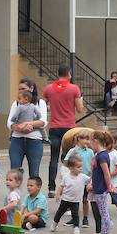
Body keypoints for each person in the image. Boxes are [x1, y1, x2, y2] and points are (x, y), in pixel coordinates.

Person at [43, 66, 84, 196]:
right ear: (69, 74)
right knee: (70, 158)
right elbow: (80, 109)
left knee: (53, 158)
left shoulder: (48, 89)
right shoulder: (74, 89)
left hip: (54, 127)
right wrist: (80, 100)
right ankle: (69, 186)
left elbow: (43, 105)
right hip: (69, 128)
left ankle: (51, 188)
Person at [7, 84, 45, 183]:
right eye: (19, 89)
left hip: (34, 141)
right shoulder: (16, 104)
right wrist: (20, 128)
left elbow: (43, 121)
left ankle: (35, 197)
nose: (20, 91)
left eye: (23, 89)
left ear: (31, 89)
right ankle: (14, 197)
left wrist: (27, 124)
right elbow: (10, 122)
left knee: (34, 173)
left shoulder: (40, 103)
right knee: (14, 172)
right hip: (17, 140)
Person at [87, 132, 114, 234]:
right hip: (97, 188)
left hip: (101, 188)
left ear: (96, 141)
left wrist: (109, 186)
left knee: (104, 214)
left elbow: (106, 173)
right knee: (102, 213)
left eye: (91, 141)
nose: (90, 144)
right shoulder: (98, 155)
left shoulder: (102, 156)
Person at [51, 152, 89, 233]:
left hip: (76, 200)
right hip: (65, 199)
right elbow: (61, 186)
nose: (80, 169)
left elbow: (90, 180)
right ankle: (54, 223)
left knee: (75, 214)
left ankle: (76, 227)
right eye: (78, 167)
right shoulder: (66, 177)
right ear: (71, 168)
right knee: (60, 212)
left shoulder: (82, 177)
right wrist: (58, 195)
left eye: (81, 167)